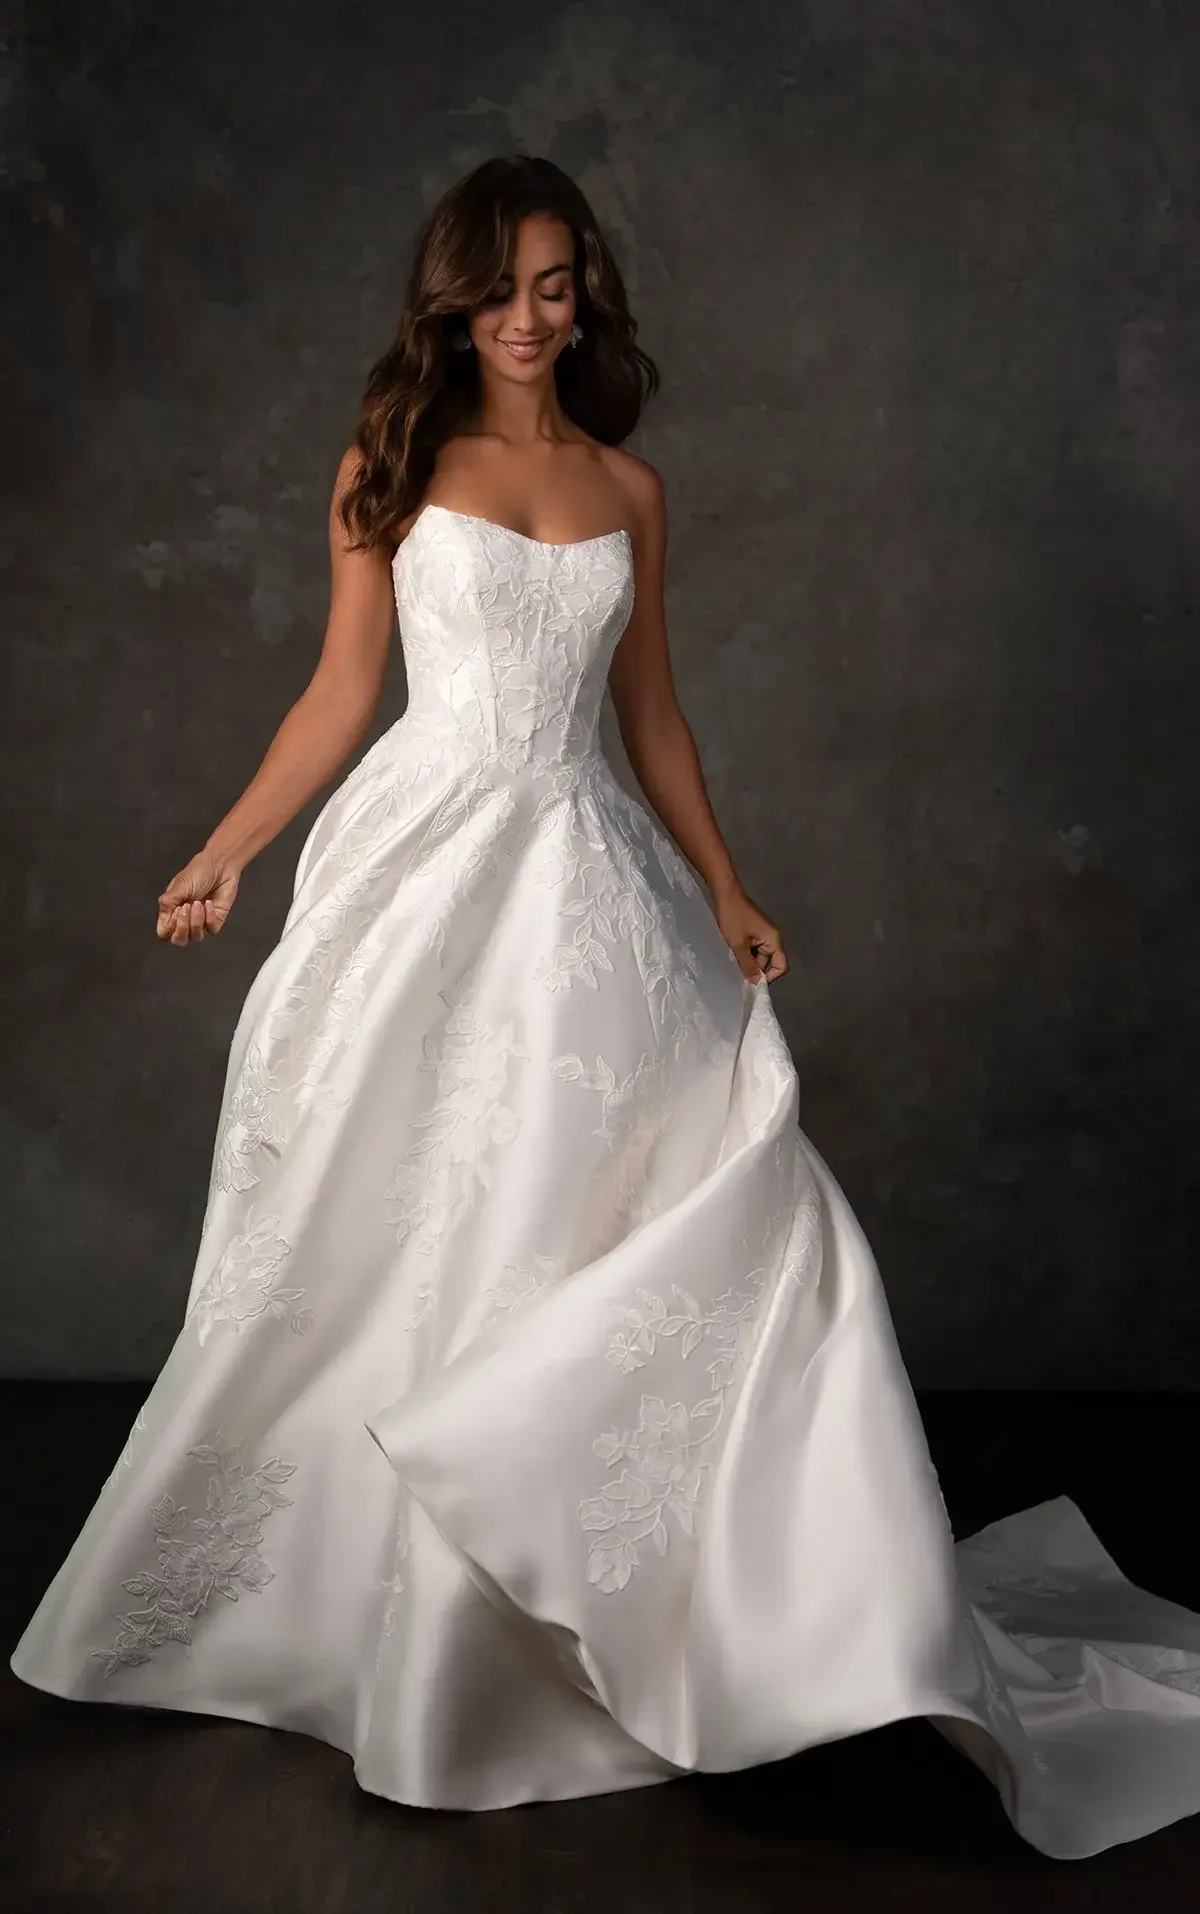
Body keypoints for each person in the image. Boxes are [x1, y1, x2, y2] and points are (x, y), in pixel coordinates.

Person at [12, 153, 1200, 1860]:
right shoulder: (393, 463)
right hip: (425, 871)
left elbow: (653, 719)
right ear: (454, 299)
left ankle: (612, 1610)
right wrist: (227, 847)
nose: (527, 316)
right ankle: (362, 1611)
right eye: (498, 288)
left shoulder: (633, 490)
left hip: (589, 883)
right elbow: (343, 689)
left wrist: (722, 881)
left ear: (588, 299)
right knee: (389, 1218)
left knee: (596, 1207)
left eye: (557, 284)